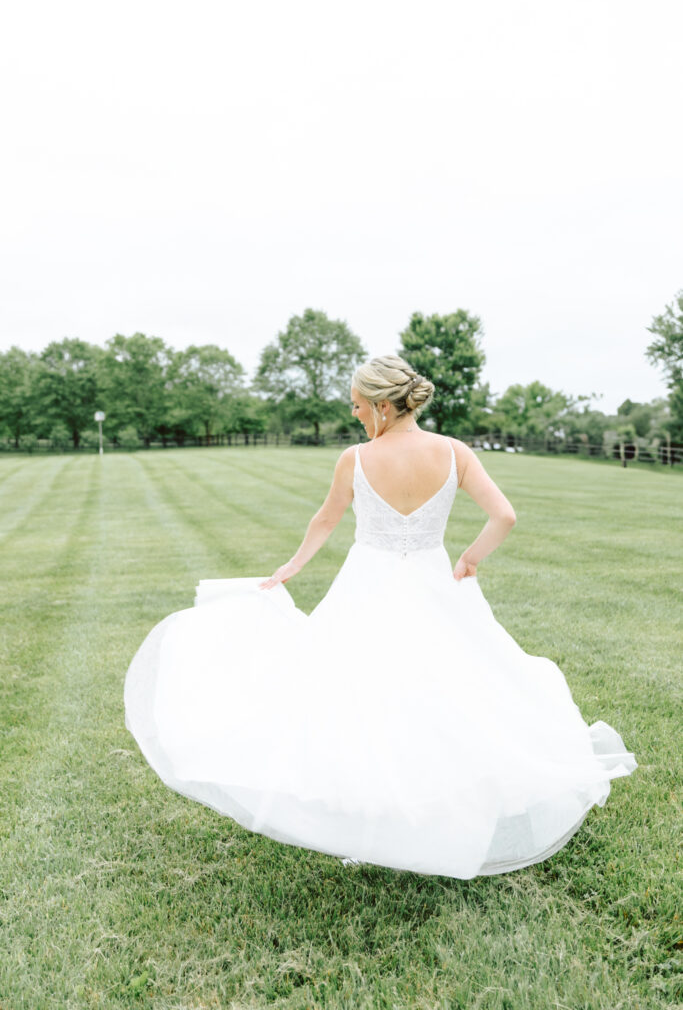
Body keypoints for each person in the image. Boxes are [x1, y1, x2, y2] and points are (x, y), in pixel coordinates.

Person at [124, 354, 637, 880]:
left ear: (381, 406)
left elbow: (326, 518)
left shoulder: (356, 459)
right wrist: (471, 558)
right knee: (444, 692)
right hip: (434, 584)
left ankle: (372, 824)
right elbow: (504, 515)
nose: (355, 416)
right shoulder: (454, 452)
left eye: (358, 406)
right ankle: (437, 811)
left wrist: (293, 566)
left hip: (366, 587)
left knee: (359, 695)